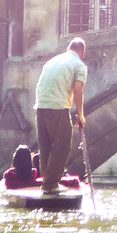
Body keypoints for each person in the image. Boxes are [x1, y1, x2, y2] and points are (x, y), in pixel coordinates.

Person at [34, 38, 88, 195]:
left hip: (41, 105)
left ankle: (47, 179)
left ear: (68, 48)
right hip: (58, 107)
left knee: (45, 145)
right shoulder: (79, 65)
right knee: (62, 145)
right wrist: (80, 115)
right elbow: (78, 90)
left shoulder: (53, 61)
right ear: (82, 52)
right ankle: (50, 185)